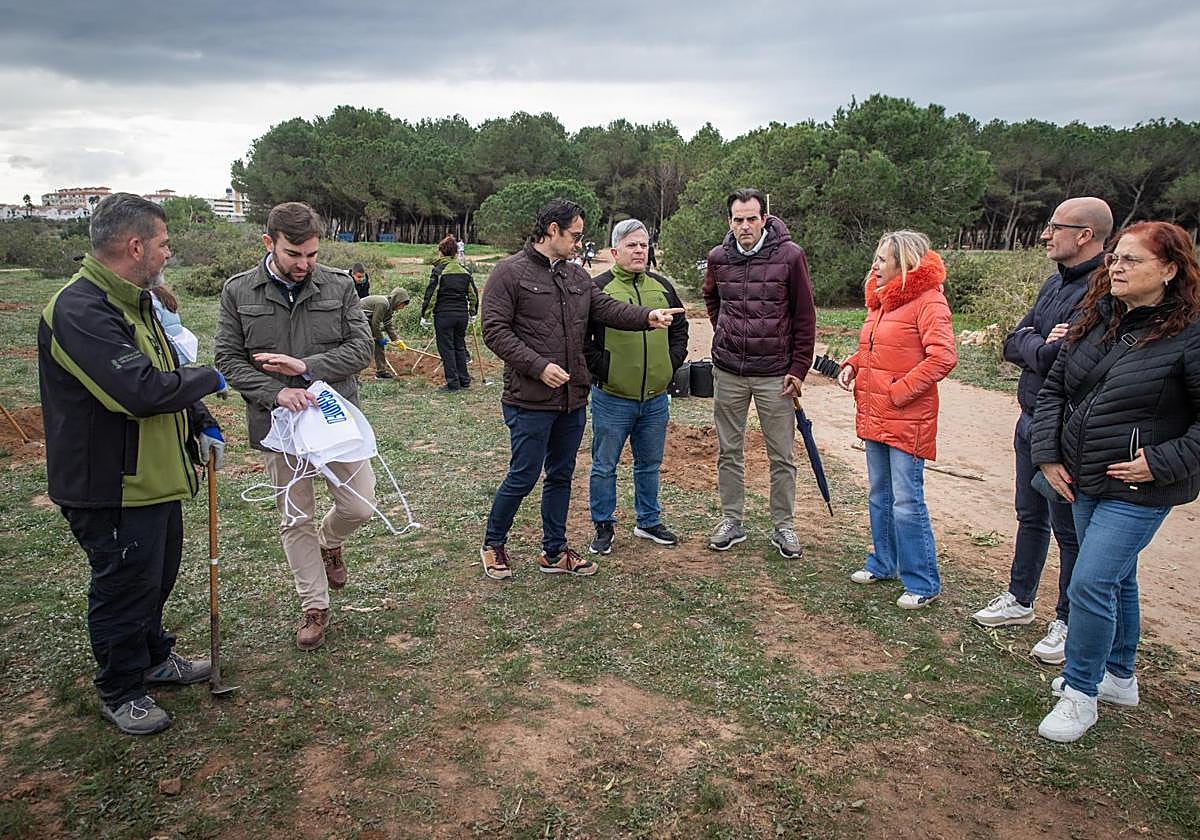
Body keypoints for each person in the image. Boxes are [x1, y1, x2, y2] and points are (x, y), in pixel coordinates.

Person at [37, 192, 226, 735]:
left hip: (156, 477)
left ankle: (153, 657)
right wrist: (210, 376)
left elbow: (162, 366)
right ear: (136, 245)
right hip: (112, 484)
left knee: (156, 576)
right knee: (124, 586)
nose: (169, 253)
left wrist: (198, 417)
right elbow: (138, 390)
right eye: (164, 244)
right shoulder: (80, 310)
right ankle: (121, 688)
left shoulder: (134, 301)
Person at [1032, 221, 1200, 743]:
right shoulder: (1096, 316)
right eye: (1115, 259)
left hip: (1140, 486)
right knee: (1116, 578)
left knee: (1090, 581)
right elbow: (1054, 388)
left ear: (1170, 270)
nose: (1116, 267)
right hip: (1080, 475)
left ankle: (1080, 694)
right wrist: (1047, 455)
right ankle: (1119, 676)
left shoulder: (1190, 334)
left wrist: (1162, 461)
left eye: (1132, 260)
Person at [479, 198, 683, 581]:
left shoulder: (575, 277)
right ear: (552, 230)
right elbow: (494, 330)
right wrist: (538, 367)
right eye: (574, 235)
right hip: (530, 399)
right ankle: (493, 543)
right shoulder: (509, 273)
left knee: (561, 475)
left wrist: (647, 317)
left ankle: (554, 551)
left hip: (571, 399)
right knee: (524, 475)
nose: (578, 243)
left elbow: (607, 309)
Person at [215, 202, 375, 651]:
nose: (304, 264)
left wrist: (305, 367)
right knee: (294, 516)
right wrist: (276, 392)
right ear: (269, 243)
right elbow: (227, 359)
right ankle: (314, 606)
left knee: (360, 505)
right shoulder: (238, 291)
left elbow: (361, 348)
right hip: (277, 425)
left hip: (333, 419)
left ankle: (330, 542)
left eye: (312, 254)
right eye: (293, 254)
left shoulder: (340, 287)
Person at [972, 198, 1112, 664]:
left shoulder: (1102, 291)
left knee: (1068, 529)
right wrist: (1036, 340)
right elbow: (1014, 340)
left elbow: (1062, 358)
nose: (1046, 235)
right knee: (1029, 516)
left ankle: (1068, 620)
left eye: (1055, 227)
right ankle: (1019, 598)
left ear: (1085, 235)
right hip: (1029, 416)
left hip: (1067, 429)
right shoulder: (1055, 283)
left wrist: (1034, 343)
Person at [838, 230, 956, 609]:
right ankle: (883, 563)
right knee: (879, 494)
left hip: (907, 417)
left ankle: (922, 581)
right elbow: (877, 350)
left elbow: (942, 357)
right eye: (875, 258)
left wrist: (900, 391)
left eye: (882, 259)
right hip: (875, 415)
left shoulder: (929, 303)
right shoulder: (881, 303)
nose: (874, 265)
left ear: (904, 263)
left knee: (907, 500)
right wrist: (853, 365)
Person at [702, 188, 815, 558]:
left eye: (752, 218)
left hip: (774, 374)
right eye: (738, 219)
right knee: (728, 450)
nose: (745, 226)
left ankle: (783, 525)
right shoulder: (719, 258)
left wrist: (798, 368)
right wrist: (725, 330)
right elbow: (712, 298)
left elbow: (804, 317)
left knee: (781, 454)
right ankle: (732, 521)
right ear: (729, 222)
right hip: (729, 371)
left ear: (764, 219)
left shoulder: (791, 256)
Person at [584, 218, 689, 555]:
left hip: (655, 398)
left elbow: (680, 330)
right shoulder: (598, 289)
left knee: (649, 463)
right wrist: (605, 368)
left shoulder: (662, 286)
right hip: (613, 396)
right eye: (632, 245)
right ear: (615, 251)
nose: (640, 250)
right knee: (604, 464)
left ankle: (648, 520)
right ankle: (603, 523)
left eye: (644, 244)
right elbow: (582, 338)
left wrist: (669, 364)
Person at [420, 235, 479, 392]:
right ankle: (464, 381)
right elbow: (473, 294)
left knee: (447, 349)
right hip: (461, 316)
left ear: (442, 252)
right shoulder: (465, 270)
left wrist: (424, 315)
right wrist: (473, 312)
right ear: (454, 253)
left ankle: (453, 384)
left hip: (444, 315)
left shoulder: (439, 271)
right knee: (459, 346)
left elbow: (431, 295)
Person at [361, 286, 411, 379]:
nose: (402, 308)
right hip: (357, 318)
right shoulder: (382, 304)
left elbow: (388, 325)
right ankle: (354, 372)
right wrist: (380, 338)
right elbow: (375, 323)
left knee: (378, 343)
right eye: (402, 305)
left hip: (367, 320)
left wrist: (396, 340)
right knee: (367, 342)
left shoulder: (389, 309)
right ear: (397, 300)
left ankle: (381, 372)